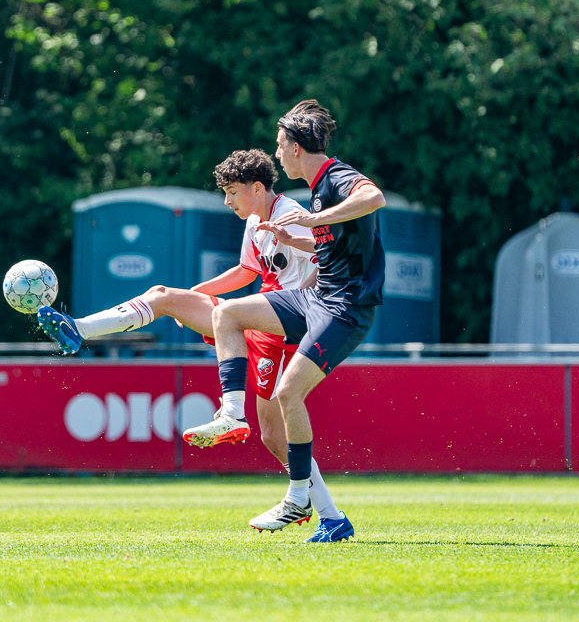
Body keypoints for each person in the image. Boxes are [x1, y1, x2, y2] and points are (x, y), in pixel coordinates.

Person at [38, 148, 353, 542]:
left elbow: (333, 261)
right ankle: (79, 328)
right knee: (165, 296)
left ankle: (234, 415)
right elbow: (245, 271)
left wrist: (299, 299)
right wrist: (195, 296)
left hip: (286, 329)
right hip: (257, 321)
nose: (227, 201)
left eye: (232, 192)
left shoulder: (293, 215)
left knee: (275, 431)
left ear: (257, 188)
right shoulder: (256, 219)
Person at [192, 99, 384, 537]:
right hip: (317, 298)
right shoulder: (315, 191)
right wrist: (290, 238)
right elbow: (329, 249)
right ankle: (233, 413)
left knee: (287, 394)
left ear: (297, 147)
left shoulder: (334, 178)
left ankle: (304, 501)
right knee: (228, 315)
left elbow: (374, 197)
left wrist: (314, 218)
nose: (276, 154)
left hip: (347, 307)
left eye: (280, 146)